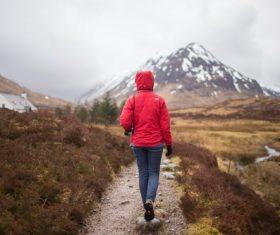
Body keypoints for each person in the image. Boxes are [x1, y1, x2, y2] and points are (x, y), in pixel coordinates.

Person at [120, 70, 172, 221]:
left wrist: (128, 129)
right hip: (156, 144)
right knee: (154, 173)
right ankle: (150, 201)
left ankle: (146, 205)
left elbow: (124, 121)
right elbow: (165, 127)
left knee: (143, 173)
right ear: (152, 82)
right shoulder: (160, 100)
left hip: (137, 143)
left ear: (138, 82)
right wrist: (169, 145)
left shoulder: (133, 100)